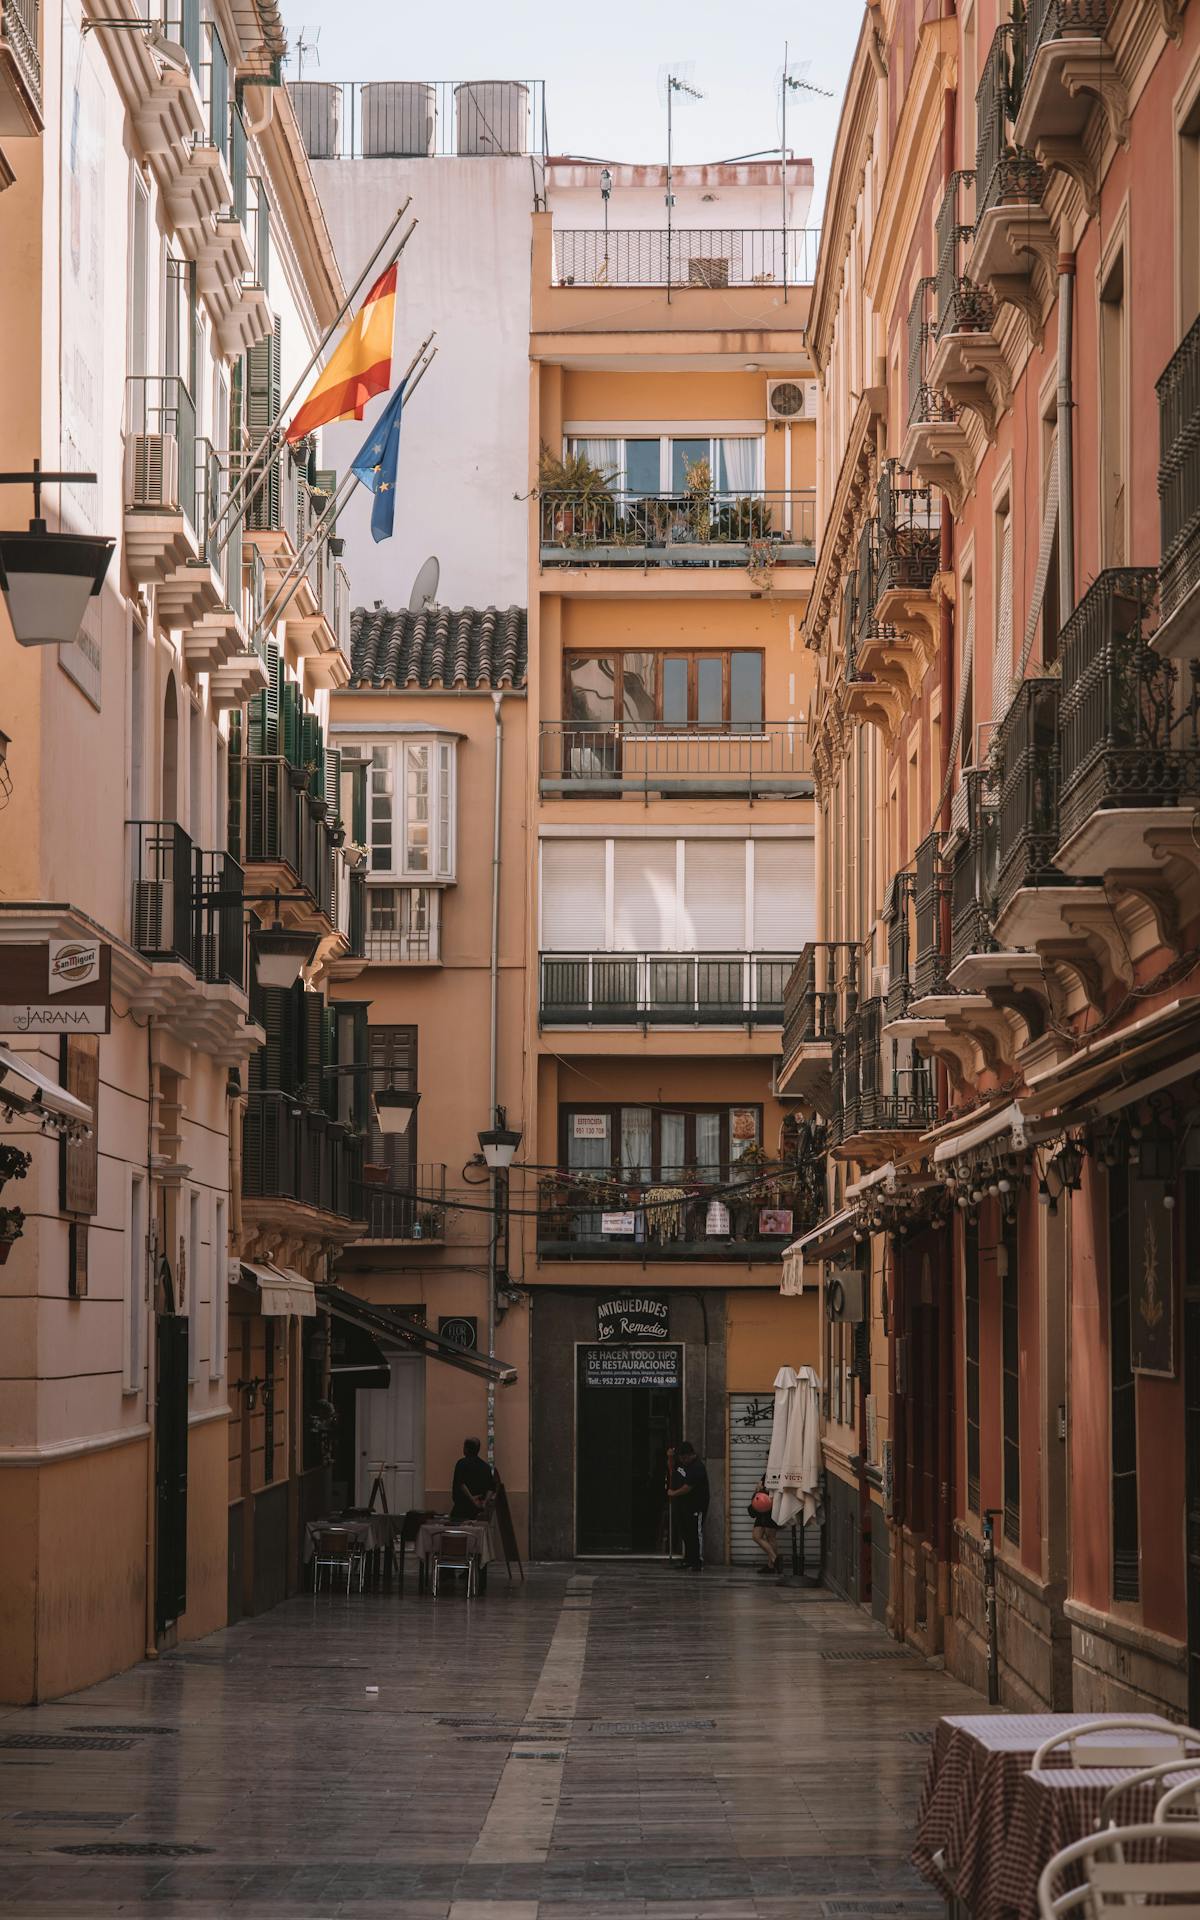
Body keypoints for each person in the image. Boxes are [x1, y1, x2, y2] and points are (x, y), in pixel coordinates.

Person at [667, 1440, 710, 1571]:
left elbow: (688, 1487)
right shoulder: (682, 1463)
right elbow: (672, 1470)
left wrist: (673, 1493)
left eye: (685, 1457)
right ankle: (689, 1559)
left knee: (695, 1533)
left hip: (696, 1506)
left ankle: (697, 1561)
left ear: (691, 1455)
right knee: (685, 1532)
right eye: (681, 1458)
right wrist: (670, 1457)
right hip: (683, 1506)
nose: (683, 1460)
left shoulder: (697, 1467)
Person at [450, 1438, 496, 1521]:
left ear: (466, 1449)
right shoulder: (485, 1467)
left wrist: (471, 1499)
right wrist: (485, 1502)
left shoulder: (461, 1464)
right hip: (478, 1510)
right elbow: (491, 1488)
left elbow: (461, 1484)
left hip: (461, 1508)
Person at [748, 1477, 779, 1576]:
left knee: (770, 1537)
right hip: (762, 1508)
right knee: (756, 1536)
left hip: (770, 1508)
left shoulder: (775, 1472)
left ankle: (772, 1565)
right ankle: (775, 1560)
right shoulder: (767, 1472)